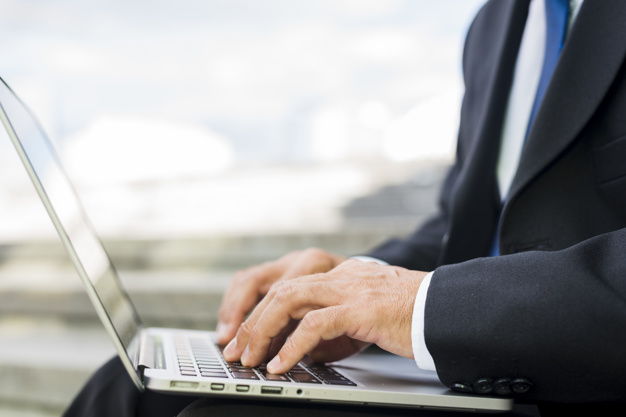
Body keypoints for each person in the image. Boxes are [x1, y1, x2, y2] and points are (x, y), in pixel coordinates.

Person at [64, 0, 626, 416]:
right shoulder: (495, 24)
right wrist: (359, 281)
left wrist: (423, 308)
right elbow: (469, 224)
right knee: (130, 386)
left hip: (580, 381)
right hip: (462, 369)